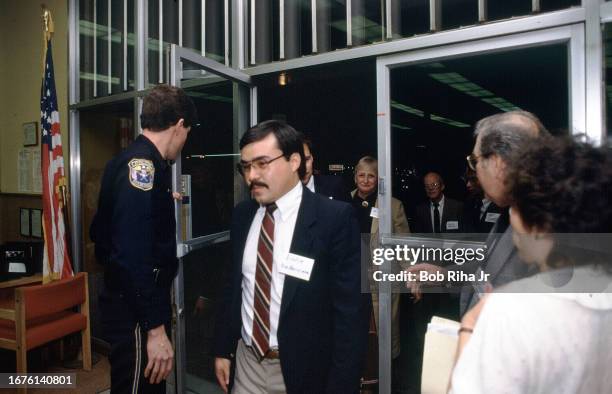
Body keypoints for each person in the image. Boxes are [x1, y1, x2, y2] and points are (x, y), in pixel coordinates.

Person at [213, 120, 368, 394]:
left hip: (305, 372)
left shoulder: (335, 219)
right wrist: (223, 349)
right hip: (247, 365)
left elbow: (350, 315)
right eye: (246, 166)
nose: (251, 176)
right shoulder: (243, 215)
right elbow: (234, 287)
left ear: (294, 161)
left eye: (262, 163)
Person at [450, 136, 612, 393]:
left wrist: (469, 327)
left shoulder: (510, 312)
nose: (510, 216)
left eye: (517, 207)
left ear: (538, 228)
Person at [90, 84, 197, 392]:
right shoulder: (144, 167)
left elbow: (99, 232)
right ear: (178, 126)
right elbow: (132, 257)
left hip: (129, 303)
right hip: (137, 312)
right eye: (187, 132)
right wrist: (155, 329)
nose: (185, 141)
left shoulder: (123, 161)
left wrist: (156, 206)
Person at [407, 111, 549, 317]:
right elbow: (489, 264)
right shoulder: (512, 213)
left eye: (475, 161)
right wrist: (444, 273)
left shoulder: (550, 224)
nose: (473, 174)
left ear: (499, 163)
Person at [350, 155, 410, 389]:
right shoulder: (343, 203)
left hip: (382, 281)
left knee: (384, 339)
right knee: (357, 336)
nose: (365, 180)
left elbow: (404, 244)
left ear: (378, 180)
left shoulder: (392, 205)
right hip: (353, 281)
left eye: (371, 176)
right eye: (361, 175)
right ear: (355, 176)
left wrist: (410, 273)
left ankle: (385, 383)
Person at [301, 137, 351, 202]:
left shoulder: (335, 186)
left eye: (306, 159)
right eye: (298, 162)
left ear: (312, 158)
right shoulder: (284, 193)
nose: (303, 167)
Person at [462, 168, 504, 237]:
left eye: (473, 180)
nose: (468, 185)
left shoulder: (503, 204)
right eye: (467, 180)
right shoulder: (470, 203)